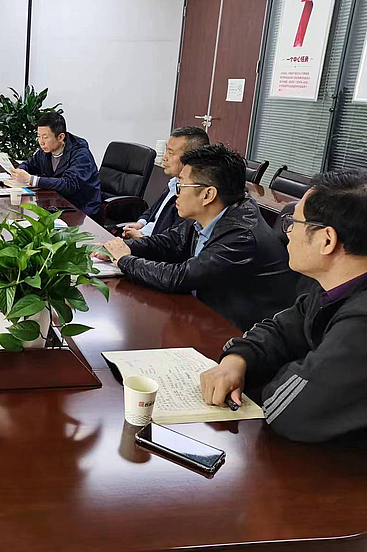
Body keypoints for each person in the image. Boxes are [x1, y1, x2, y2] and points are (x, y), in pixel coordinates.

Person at [200, 171, 367, 442]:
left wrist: (281, 373)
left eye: (294, 222)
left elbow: (290, 412)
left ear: (327, 240)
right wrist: (237, 360)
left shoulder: (361, 323)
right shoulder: (329, 287)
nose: (287, 232)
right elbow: (281, 329)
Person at [97, 144, 297, 331]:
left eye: (181, 186)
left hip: (236, 331)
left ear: (208, 195)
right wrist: (124, 247)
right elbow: (169, 242)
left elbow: (180, 277)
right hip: (204, 313)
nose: (176, 194)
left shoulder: (241, 236)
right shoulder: (209, 213)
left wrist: (125, 260)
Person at [122, 126, 209, 239]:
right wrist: (140, 224)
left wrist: (141, 240)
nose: (164, 157)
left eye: (170, 153)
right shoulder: (174, 183)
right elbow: (153, 210)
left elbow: (174, 242)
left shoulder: (192, 195)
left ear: (191, 158)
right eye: (166, 150)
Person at [10, 112, 103, 217]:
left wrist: (31, 179)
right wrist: (19, 171)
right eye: (38, 136)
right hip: (56, 204)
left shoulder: (81, 154)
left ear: (60, 137)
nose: (41, 142)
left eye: (45, 137)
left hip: (81, 209)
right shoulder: (46, 151)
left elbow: (68, 185)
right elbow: (29, 164)